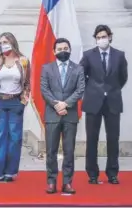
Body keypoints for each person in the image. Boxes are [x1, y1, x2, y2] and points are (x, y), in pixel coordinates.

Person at [80, 24, 128, 185]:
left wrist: (111, 90)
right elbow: (81, 75)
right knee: (92, 138)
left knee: (113, 138)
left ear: (110, 37)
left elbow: (123, 77)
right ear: (95, 39)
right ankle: (92, 173)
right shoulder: (88, 55)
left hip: (113, 101)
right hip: (93, 102)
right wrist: (93, 89)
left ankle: (112, 173)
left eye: (104, 37)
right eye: (98, 37)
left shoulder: (119, 55)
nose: (101, 40)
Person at [39, 38, 85, 194]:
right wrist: (56, 105)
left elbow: (80, 90)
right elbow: (44, 90)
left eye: (66, 48)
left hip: (70, 115)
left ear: (70, 50)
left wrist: (65, 104)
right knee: (51, 150)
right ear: (54, 52)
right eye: (59, 49)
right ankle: (51, 182)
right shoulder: (46, 68)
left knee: (69, 150)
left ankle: (67, 183)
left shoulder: (78, 69)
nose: (63, 51)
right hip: (52, 114)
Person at [0, 32, 31, 182]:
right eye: (1, 42)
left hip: (15, 102)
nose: (3, 44)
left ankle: (10, 172)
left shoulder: (24, 61)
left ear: (13, 42)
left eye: (6, 41)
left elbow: (27, 85)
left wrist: (23, 102)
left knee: (15, 137)